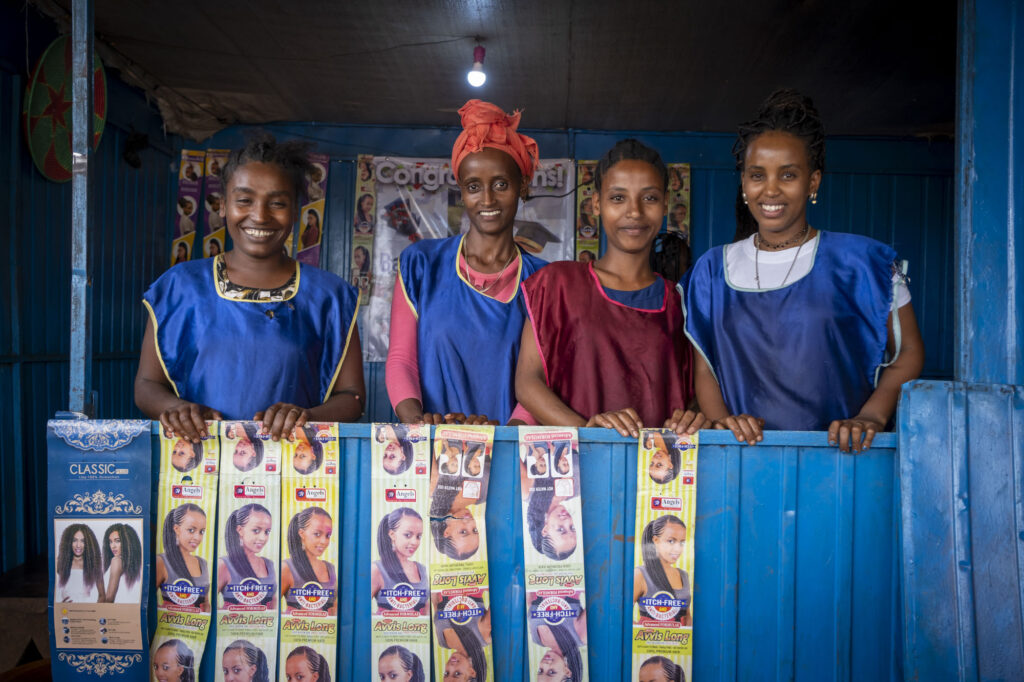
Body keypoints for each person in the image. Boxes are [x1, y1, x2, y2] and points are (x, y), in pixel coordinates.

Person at [681, 90, 925, 451]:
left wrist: (871, 416)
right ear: (744, 184)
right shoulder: (712, 270)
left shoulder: (862, 263)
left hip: (840, 457)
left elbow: (908, 354)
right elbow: (706, 368)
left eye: (788, 175)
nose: (771, 190)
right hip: (739, 458)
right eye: (757, 175)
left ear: (813, 182)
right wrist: (723, 425)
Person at [135, 133, 365, 444]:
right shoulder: (180, 286)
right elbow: (147, 384)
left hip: (295, 469)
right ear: (223, 206)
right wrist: (176, 409)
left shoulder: (329, 296)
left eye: (278, 203)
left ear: (296, 211)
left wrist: (306, 416)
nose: (259, 215)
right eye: (244, 200)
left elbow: (352, 397)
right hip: (197, 465)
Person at [516, 139, 706, 438]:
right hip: (577, 470)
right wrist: (590, 431)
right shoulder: (557, 284)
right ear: (596, 204)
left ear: (666, 203)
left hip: (657, 474)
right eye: (618, 198)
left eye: (650, 198)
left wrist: (693, 417)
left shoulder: (681, 301)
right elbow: (528, 382)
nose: (634, 212)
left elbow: (697, 393)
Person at [386, 99, 546, 426]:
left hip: (510, 451)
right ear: (462, 191)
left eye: (501, 184)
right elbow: (402, 359)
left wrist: (503, 439)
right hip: (432, 449)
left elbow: (541, 378)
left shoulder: (542, 281)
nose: (487, 199)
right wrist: (417, 425)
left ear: (522, 187)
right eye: (474, 187)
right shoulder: (422, 264)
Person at [633, 516, 690, 626]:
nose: (678, 549)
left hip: (681, 641)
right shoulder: (640, 574)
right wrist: (641, 633)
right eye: (671, 541)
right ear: (655, 540)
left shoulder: (683, 575)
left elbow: (687, 615)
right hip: (650, 641)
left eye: (682, 543)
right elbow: (621, 614)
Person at [217, 503, 275, 609]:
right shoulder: (224, 565)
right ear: (240, 530)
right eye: (256, 531)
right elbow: (209, 601)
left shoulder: (269, 565)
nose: (263, 538)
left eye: (267, 532)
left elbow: (274, 606)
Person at [371, 507, 427, 615]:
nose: (415, 542)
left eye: (418, 536)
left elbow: (426, 610)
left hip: (418, 630)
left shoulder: (422, 569)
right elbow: (362, 609)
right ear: (392, 535)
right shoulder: (377, 569)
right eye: (408, 535)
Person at [521, 454, 578, 561]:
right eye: (572, 527)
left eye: (561, 529)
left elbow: (513, 450)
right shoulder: (575, 492)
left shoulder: (528, 491)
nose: (567, 521)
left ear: (545, 530)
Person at [281, 507, 336, 615]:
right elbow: (272, 610)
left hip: (325, 630)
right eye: (317, 534)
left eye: (328, 535)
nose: (324, 541)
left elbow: (334, 610)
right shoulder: (287, 567)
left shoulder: (330, 568)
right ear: (301, 533)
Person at [156, 503, 209, 612]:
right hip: (172, 627)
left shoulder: (203, 563)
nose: (197, 537)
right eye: (191, 530)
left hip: (199, 625)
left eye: (201, 532)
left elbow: (207, 604)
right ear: (176, 529)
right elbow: (148, 600)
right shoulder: (162, 562)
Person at [528, 595, 586, 681]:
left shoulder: (537, 639)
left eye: (540, 670)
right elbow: (596, 598)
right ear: (567, 672)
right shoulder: (580, 637)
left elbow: (531, 600)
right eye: (551, 672)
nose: (545, 664)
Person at [434, 594, 490, 681]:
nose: (451, 667)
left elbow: (436, 601)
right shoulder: (483, 637)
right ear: (472, 672)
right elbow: (498, 597)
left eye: (446, 673)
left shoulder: (443, 642)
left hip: (441, 582)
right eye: (457, 673)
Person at [55, 524, 104, 602]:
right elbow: (55, 593)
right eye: (74, 540)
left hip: (88, 610)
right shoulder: (59, 562)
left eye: (83, 541)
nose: (78, 545)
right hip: (67, 611)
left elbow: (102, 595)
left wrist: (94, 611)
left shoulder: (95, 563)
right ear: (68, 542)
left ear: (88, 543)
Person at [101, 523, 142, 603]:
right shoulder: (132, 565)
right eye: (110, 542)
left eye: (117, 541)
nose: (113, 546)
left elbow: (109, 598)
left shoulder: (116, 561)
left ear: (128, 542)